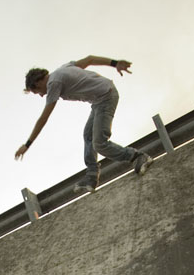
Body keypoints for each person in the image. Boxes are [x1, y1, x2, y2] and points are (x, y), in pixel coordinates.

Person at [14, 56, 152, 194]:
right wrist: (115, 63)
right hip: (100, 100)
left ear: (38, 82)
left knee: (100, 144)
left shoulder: (53, 83)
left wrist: (27, 145)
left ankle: (137, 156)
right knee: (88, 135)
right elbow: (90, 59)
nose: (41, 95)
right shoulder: (64, 68)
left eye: (37, 91)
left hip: (106, 97)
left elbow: (43, 118)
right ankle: (92, 176)